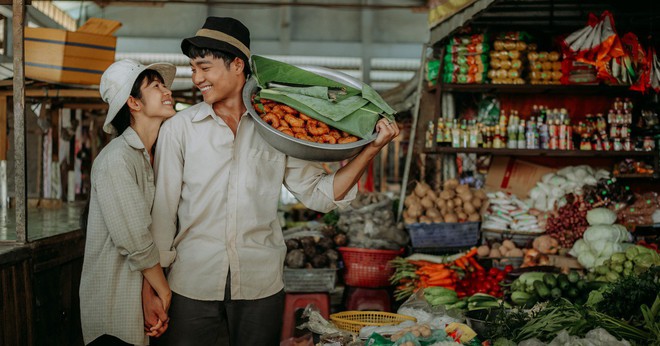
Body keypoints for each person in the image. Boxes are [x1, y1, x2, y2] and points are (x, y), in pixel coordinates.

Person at [143, 17, 399, 346]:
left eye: (204, 68)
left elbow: (321, 196)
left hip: (260, 287)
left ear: (237, 65)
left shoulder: (276, 129)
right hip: (191, 285)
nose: (196, 79)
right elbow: (162, 215)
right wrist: (152, 289)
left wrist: (369, 152)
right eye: (193, 69)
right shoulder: (181, 128)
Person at [80, 59, 177, 346]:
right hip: (113, 309)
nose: (167, 91)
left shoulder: (149, 156)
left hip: (138, 304)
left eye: (164, 84)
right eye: (156, 86)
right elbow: (135, 239)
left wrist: (153, 295)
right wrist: (165, 292)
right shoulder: (116, 159)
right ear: (133, 103)